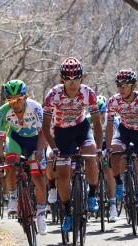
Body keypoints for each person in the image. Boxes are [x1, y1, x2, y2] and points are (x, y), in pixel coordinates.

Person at [42, 57, 103, 233]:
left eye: (76, 80)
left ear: (81, 79)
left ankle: (92, 195)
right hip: (61, 133)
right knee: (62, 176)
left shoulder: (88, 94)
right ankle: (68, 213)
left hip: (81, 129)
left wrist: (99, 148)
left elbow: (97, 125)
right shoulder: (52, 95)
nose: (72, 84)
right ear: (63, 79)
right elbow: (46, 127)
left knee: (91, 157)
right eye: (69, 80)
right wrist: (53, 148)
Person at [0, 79, 48, 235]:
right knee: (11, 164)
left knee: (38, 178)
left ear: (25, 96)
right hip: (15, 138)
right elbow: (0, 137)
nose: (14, 103)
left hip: (35, 140)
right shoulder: (3, 111)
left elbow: (43, 133)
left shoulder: (35, 108)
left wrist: (38, 151)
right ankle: (13, 197)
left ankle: (41, 215)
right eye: (10, 100)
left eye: (18, 99)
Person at [106, 68, 138, 223]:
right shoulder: (113, 101)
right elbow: (108, 126)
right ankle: (119, 182)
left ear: (133, 85)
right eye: (119, 85)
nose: (121, 88)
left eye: (125, 85)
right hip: (124, 131)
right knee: (114, 153)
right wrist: (107, 147)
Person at [87, 95, 120, 221]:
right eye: (95, 114)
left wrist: (109, 149)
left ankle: (113, 205)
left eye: (100, 113)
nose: (98, 117)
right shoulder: (88, 119)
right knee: (89, 166)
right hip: (94, 144)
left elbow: (117, 136)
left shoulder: (112, 119)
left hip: (108, 144)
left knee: (108, 172)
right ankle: (88, 192)